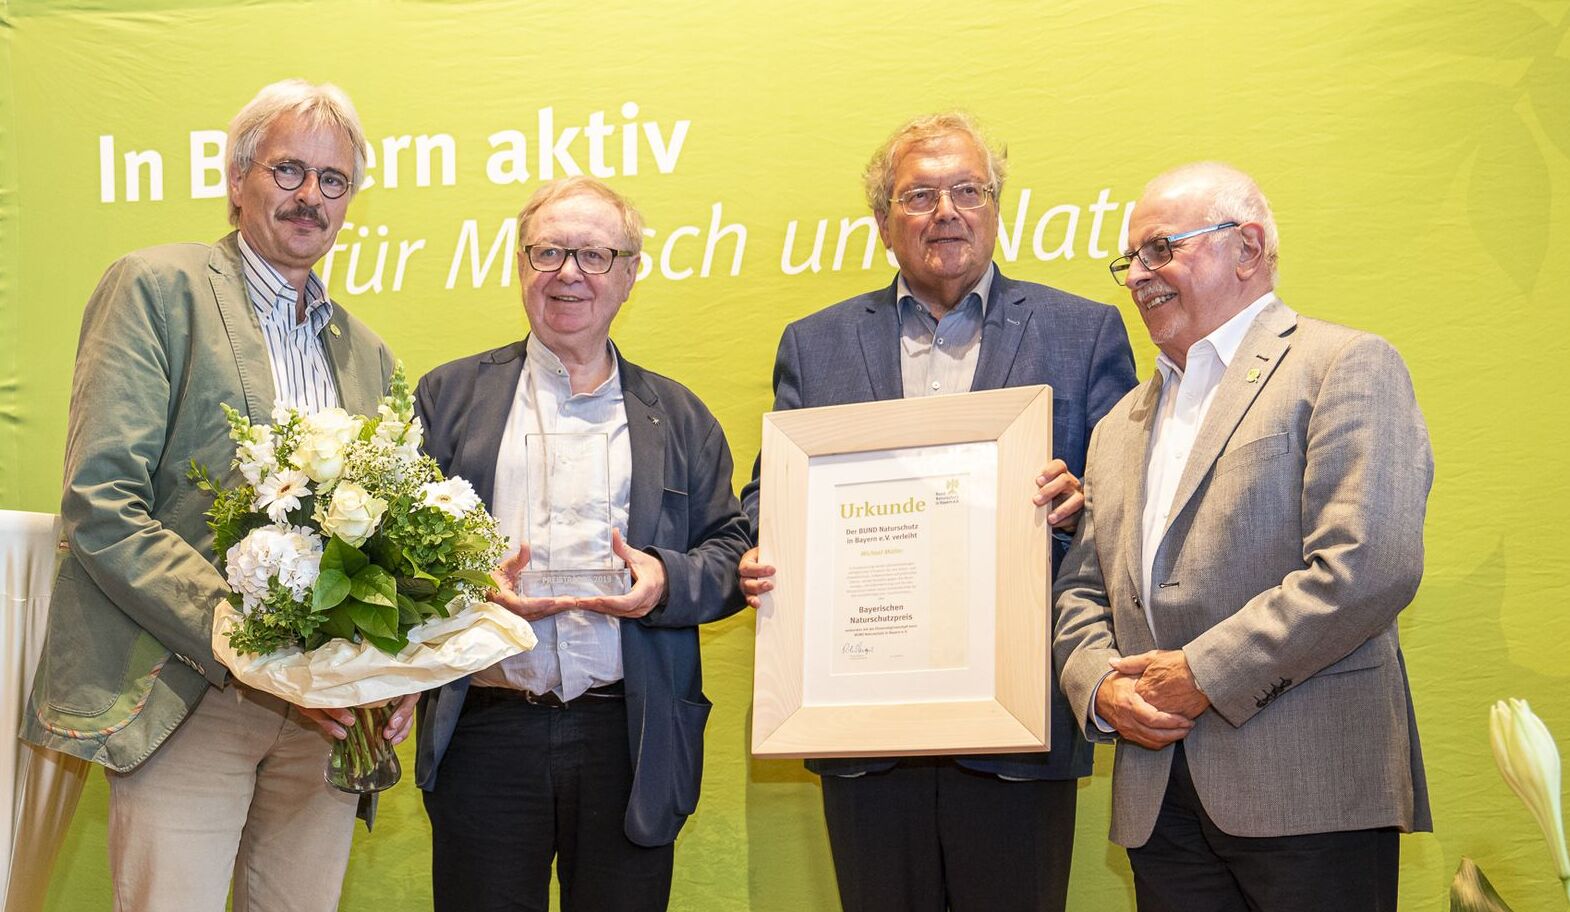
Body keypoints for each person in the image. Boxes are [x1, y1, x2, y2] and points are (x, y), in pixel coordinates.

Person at [21, 79, 412, 911]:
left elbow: (384, 542)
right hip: (190, 689)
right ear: (236, 183)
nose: (311, 196)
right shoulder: (157, 290)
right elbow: (102, 502)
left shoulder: (369, 354)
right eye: (288, 170)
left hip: (325, 721)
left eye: (334, 180)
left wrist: (395, 665)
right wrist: (250, 644)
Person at [738, 112, 1138, 912]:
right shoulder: (813, 344)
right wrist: (767, 544)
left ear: (996, 207)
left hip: (1019, 724)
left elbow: (1135, 503)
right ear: (884, 223)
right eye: (918, 195)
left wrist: (1084, 503)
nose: (946, 211)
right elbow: (767, 499)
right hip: (861, 724)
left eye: (967, 190)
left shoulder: (1083, 331)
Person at [1053, 162, 1433, 912]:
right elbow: (1082, 590)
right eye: (1130, 260)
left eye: (1161, 249)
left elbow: (1368, 565)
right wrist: (1098, 684)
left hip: (1311, 790)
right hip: (1160, 805)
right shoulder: (1116, 425)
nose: (1138, 275)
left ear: (1247, 248)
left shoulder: (1344, 365)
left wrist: (1203, 671)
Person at [413, 175, 751, 912]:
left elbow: (732, 552)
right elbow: (397, 556)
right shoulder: (449, 398)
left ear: (630, 274)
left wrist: (664, 579)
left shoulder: (681, 414)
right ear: (519, 263)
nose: (569, 273)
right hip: (486, 732)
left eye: (595, 255)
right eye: (549, 251)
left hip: (627, 736)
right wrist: (466, 588)